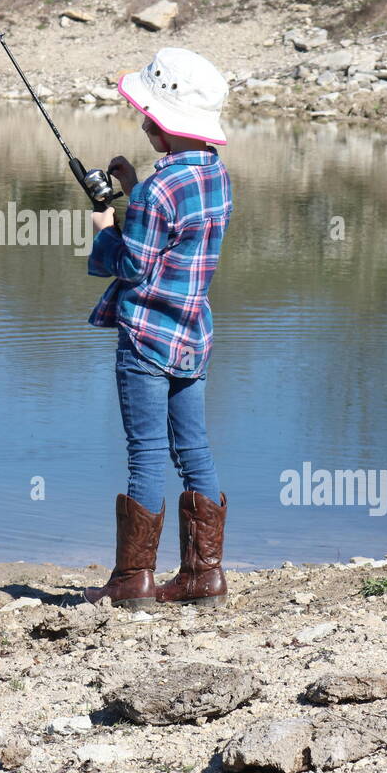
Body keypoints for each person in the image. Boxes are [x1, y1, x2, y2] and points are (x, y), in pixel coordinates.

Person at [83, 47, 233, 610]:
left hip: (146, 339)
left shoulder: (154, 192)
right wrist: (133, 188)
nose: (143, 123)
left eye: (149, 116)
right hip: (193, 335)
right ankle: (204, 574)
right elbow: (174, 230)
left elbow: (132, 265)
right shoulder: (214, 176)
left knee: (145, 452)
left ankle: (133, 579)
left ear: (163, 128)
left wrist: (104, 220)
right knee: (193, 447)